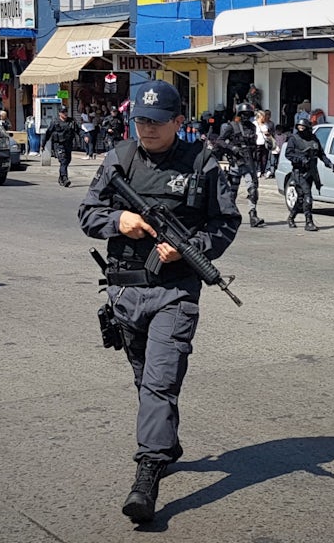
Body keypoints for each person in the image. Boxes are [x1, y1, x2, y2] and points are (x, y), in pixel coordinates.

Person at [78, 80, 240, 524]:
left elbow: (226, 222)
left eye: (156, 122)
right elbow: (87, 213)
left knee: (160, 381)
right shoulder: (120, 159)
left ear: (178, 123)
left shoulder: (203, 162)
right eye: (140, 121)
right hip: (125, 290)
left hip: (176, 291)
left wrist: (194, 247)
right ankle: (165, 441)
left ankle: (147, 475)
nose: (146, 129)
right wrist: (119, 219)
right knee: (144, 378)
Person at [216, 103, 267, 228]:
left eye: (248, 114)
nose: (246, 117)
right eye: (243, 114)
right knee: (232, 191)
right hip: (235, 162)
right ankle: (230, 215)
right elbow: (220, 141)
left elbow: (254, 145)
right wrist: (232, 148)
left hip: (249, 162)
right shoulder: (231, 127)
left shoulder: (252, 127)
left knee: (253, 189)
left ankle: (253, 215)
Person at [284, 112, 334, 231]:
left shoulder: (313, 139)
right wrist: (300, 159)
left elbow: (321, 154)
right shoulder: (294, 139)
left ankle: (291, 217)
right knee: (308, 195)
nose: (301, 130)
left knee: (301, 198)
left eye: (304, 128)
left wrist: (329, 164)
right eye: (299, 128)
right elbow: (289, 154)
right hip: (299, 172)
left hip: (311, 172)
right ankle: (309, 221)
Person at [43, 109, 78, 187]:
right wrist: (43, 144)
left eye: (66, 112)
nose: (65, 113)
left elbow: (78, 130)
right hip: (59, 145)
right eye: (63, 112)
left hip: (68, 145)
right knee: (63, 161)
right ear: (59, 113)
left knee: (67, 161)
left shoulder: (71, 122)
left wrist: (84, 136)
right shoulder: (55, 122)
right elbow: (48, 133)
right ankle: (65, 178)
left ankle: (61, 177)